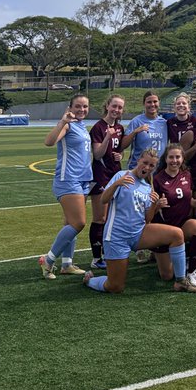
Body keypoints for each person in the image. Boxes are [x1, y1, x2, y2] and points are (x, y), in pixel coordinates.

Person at [82, 148, 196, 294]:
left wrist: (155, 205)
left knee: (177, 234)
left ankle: (181, 281)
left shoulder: (148, 187)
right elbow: (103, 200)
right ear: (138, 160)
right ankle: (90, 280)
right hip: (117, 237)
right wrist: (117, 184)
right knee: (115, 287)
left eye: (151, 165)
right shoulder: (122, 175)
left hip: (138, 233)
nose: (147, 167)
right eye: (145, 163)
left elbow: (147, 219)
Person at [39, 95, 95, 278]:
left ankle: (67, 264)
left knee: (70, 223)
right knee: (79, 223)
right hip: (68, 179)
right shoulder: (68, 125)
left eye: (85, 106)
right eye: (78, 106)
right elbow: (49, 142)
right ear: (70, 107)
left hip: (83, 180)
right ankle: (48, 260)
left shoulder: (82, 126)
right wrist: (62, 121)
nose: (82, 109)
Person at [152, 145, 196, 286]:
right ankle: (166, 256)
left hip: (182, 224)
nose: (174, 160)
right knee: (167, 276)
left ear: (183, 159)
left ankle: (192, 270)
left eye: (178, 157)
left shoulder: (186, 175)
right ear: (165, 159)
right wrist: (157, 205)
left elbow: (188, 201)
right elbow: (149, 210)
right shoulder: (157, 179)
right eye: (171, 157)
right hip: (164, 228)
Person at [88, 94, 127, 270]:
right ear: (107, 106)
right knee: (100, 217)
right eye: (114, 106)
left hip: (115, 176)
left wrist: (121, 155)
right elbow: (97, 155)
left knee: (112, 217)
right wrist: (106, 138)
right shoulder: (98, 127)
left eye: (120, 107)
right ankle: (96, 258)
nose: (116, 110)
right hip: (100, 177)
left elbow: (118, 150)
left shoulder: (119, 127)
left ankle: (108, 253)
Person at [126, 91, 168, 168]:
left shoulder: (165, 123)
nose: (152, 104)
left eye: (155, 101)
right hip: (138, 168)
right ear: (144, 104)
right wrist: (135, 132)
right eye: (149, 102)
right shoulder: (136, 121)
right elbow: (123, 145)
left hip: (159, 169)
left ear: (159, 103)